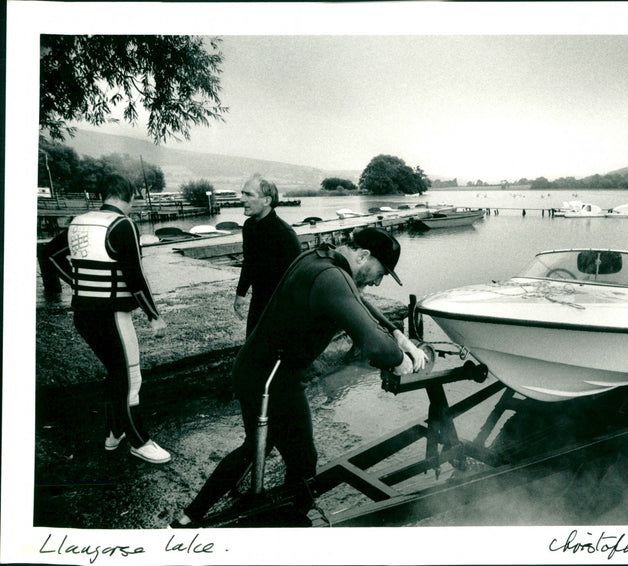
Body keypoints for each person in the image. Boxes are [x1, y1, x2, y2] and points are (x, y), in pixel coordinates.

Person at [172, 228, 428, 527]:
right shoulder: (331, 277)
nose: (378, 280)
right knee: (298, 461)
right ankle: (284, 524)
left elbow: (358, 302)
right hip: (270, 380)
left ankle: (191, 518)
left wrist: (398, 334)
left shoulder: (324, 259)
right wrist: (398, 361)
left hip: (265, 372)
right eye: (381, 272)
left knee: (265, 449)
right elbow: (373, 343)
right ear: (363, 255)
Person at [43, 174, 171, 464]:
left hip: (84, 316)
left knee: (116, 372)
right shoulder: (122, 224)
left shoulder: (79, 222)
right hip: (113, 317)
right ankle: (140, 441)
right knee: (130, 377)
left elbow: (49, 254)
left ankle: (114, 433)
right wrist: (154, 316)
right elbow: (135, 276)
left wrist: (77, 283)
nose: (135, 203)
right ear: (127, 195)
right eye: (135, 197)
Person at [234, 174, 302, 336]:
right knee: (252, 344)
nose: (242, 199)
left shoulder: (284, 234)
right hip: (258, 299)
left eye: (249, 194)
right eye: (242, 193)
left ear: (266, 201)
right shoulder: (249, 226)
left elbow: (298, 278)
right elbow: (249, 262)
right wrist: (240, 293)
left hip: (282, 303)